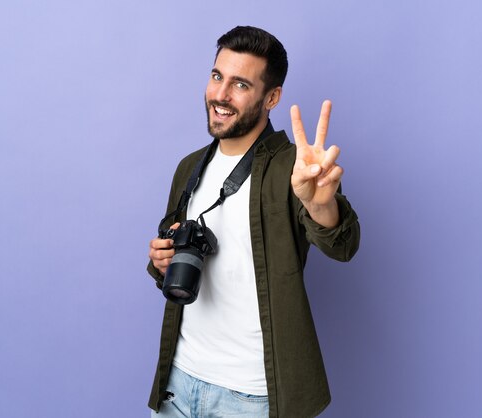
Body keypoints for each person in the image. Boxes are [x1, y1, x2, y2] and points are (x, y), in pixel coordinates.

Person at [147, 26, 360, 418]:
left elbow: (342, 245)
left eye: (240, 84)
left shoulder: (295, 168)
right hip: (177, 383)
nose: (220, 95)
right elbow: (173, 261)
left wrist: (319, 205)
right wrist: (161, 260)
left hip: (251, 397)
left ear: (271, 97)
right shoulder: (189, 168)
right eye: (217, 77)